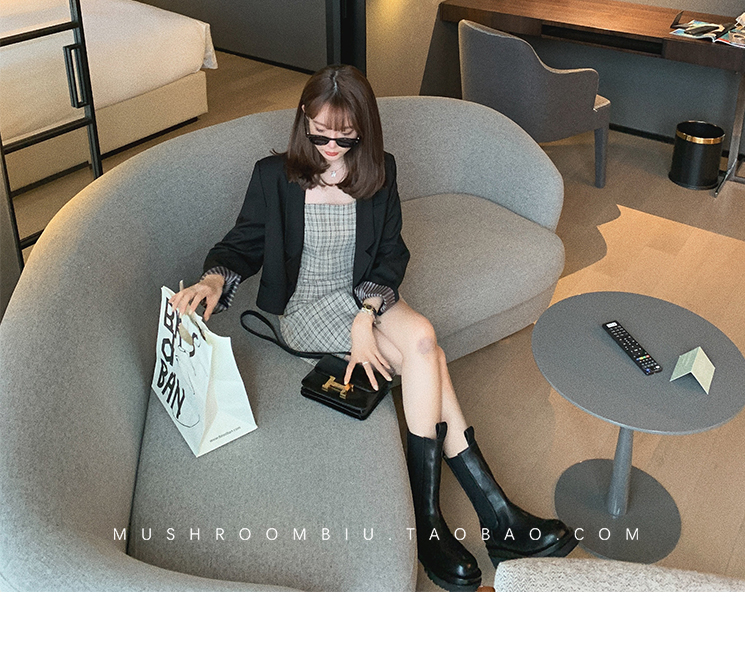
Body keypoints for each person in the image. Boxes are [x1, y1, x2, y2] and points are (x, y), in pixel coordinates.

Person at [170, 64, 574, 591]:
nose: (331, 147)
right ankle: (491, 517)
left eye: (345, 137)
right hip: (308, 307)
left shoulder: (381, 171)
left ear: (364, 129)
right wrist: (213, 280)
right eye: (320, 133)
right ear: (304, 117)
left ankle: (454, 523)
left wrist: (365, 316)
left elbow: (389, 255)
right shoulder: (273, 176)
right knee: (427, 361)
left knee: (424, 343)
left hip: (364, 296)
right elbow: (242, 244)